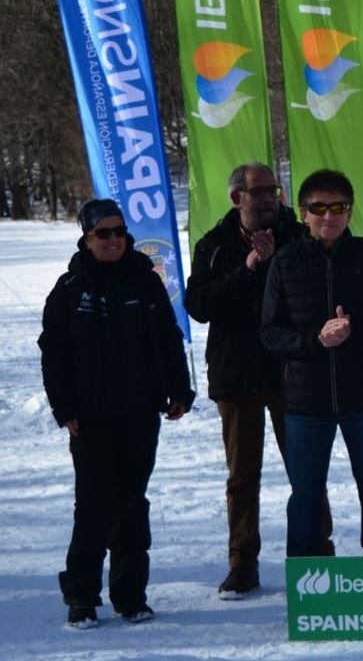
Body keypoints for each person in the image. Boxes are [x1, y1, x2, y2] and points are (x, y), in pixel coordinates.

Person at [39, 199, 194, 629]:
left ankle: (130, 595)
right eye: (103, 233)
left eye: (119, 232)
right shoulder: (70, 288)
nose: (113, 241)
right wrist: (64, 407)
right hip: (90, 418)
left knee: (131, 504)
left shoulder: (145, 283)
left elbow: (168, 338)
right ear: (86, 239)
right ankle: (82, 596)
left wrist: (178, 390)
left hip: (140, 413)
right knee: (93, 506)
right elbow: (53, 352)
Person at [185, 163, 331, 599]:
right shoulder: (214, 245)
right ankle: (242, 564)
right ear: (237, 198)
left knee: (306, 472)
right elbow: (198, 304)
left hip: (292, 372)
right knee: (242, 476)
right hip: (237, 375)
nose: (270, 198)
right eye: (260, 191)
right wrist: (248, 269)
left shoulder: (298, 235)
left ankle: (317, 556)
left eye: (274, 190)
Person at [261, 169, 363, 558]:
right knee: (305, 495)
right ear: (304, 214)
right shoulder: (286, 262)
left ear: (349, 211)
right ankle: (305, 578)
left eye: (337, 207)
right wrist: (315, 339)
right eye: (318, 208)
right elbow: (270, 333)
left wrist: (353, 331)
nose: (329, 216)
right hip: (307, 404)